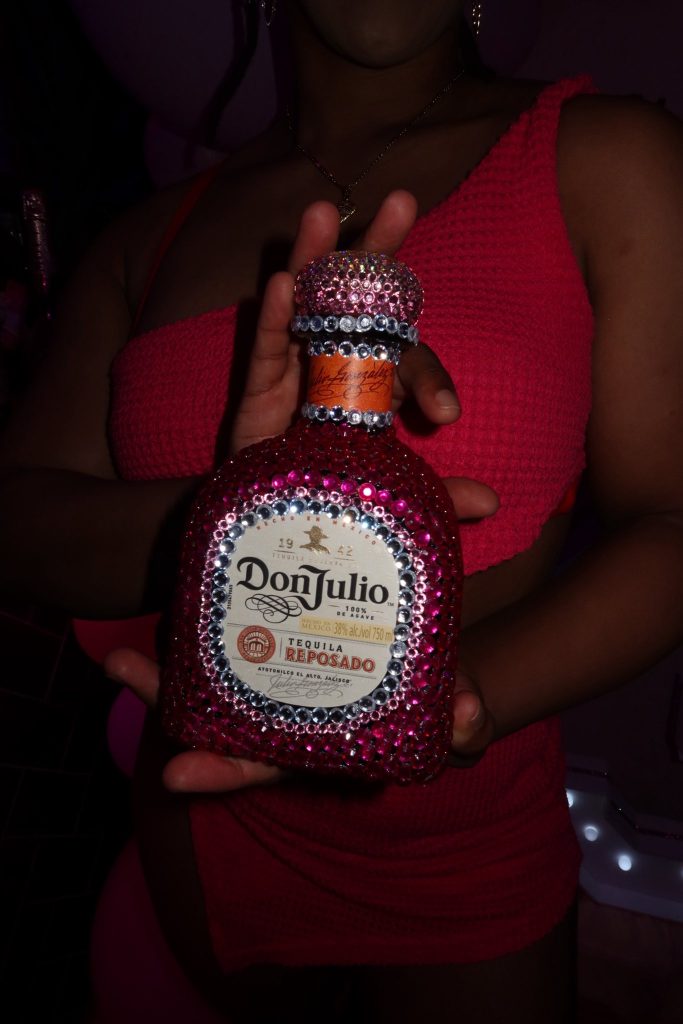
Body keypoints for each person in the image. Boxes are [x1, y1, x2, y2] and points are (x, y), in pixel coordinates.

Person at [2, 2, 683, 1021]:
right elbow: (20, 521)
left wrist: (459, 700)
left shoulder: (612, 157)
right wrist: (250, 509)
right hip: (196, 874)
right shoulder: (148, 233)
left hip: (463, 884)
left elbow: (671, 522)